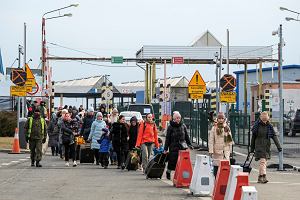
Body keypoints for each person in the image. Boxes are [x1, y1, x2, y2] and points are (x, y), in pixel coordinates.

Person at [250, 111, 282, 184]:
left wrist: (279, 146)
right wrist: (252, 149)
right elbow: (253, 138)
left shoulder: (269, 126)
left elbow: (274, 136)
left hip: (267, 147)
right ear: (261, 118)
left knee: (264, 162)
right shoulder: (257, 126)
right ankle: (263, 176)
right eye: (263, 119)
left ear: (268, 119)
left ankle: (260, 177)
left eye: (266, 119)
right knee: (263, 162)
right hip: (259, 146)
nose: (264, 121)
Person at [164, 111, 192, 180]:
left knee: (182, 162)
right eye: (176, 118)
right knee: (172, 161)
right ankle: (168, 171)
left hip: (182, 146)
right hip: (173, 146)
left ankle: (179, 176)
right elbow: (167, 139)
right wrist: (165, 149)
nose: (178, 119)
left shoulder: (183, 126)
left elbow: (186, 136)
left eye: (179, 118)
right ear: (174, 119)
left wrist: (189, 144)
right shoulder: (170, 127)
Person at [208, 112, 234, 177]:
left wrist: (230, 151)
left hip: (225, 151)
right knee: (216, 167)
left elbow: (230, 140)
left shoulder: (227, 127)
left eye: (222, 118)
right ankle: (216, 182)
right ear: (217, 119)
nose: (221, 120)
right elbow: (211, 140)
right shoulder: (214, 128)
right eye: (219, 118)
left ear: (224, 119)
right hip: (217, 151)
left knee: (225, 168)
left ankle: (224, 182)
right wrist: (211, 151)